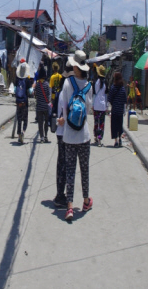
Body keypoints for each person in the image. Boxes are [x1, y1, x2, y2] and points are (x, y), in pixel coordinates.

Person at [58, 50, 93, 221]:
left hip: (69, 136)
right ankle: (86, 201)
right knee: (84, 169)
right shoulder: (89, 86)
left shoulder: (67, 83)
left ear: (75, 66)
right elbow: (88, 110)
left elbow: (64, 110)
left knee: (70, 171)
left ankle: (70, 207)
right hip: (84, 135)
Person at [52, 64, 73, 208]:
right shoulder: (67, 90)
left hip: (61, 132)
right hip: (65, 131)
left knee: (61, 163)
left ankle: (60, 194)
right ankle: (61, 195)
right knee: (64, 164)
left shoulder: (61, 90)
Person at [14, 60, 33, 144]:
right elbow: (30, 91)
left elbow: (14, 90)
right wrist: (32, 88)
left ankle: (18, 136)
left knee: (19, 118)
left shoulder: (17, 79)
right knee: (25, 119)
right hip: (25, 102)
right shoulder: (27, 80)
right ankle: (23, 132)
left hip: (18, 102)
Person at [108, 72, 127, 147]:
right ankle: (120, 139)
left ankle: (116, 141)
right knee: (120, 125)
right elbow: (124, 100)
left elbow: (110, 98)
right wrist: (124, 110)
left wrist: (110, 108)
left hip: (115, 110)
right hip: (120, 111)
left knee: (114, 126)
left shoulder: (113, 87)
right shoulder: (122, 88)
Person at [34, 66, 51, 143]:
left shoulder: (37, 84)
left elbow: (35, 94)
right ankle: (46, 136)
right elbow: (49, 95)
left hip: (39, 106)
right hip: (46, 107)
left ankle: (41, 137)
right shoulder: (47, 84)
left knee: (40, 122)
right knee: (46, 122)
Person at [93, 65, 108, 147]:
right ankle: (99, 139)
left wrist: (92, 104)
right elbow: (106, 95)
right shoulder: (105, 82)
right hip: (102, 106)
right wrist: (107, 106)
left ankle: (95, 137)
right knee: (101, 123)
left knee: (96, 122)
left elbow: (94, 94)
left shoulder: (95, 81)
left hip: (96, 105)